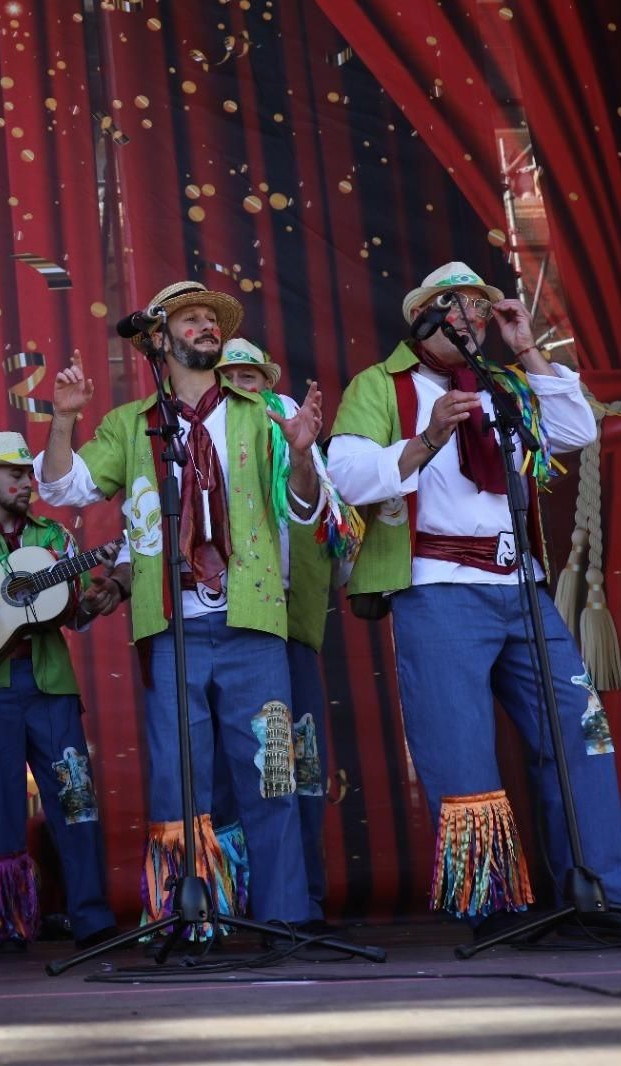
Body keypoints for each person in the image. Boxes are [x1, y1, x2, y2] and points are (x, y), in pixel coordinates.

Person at [328, 261, 621, 935]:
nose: (469, 318)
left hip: (520, 588)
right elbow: (347, 478)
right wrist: (430, 435)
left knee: (581, 735)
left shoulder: (503, 383)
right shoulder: (381, 385)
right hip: (438, 589)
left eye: (477, 308)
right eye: (454, 307)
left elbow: (579, 433)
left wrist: (526, 349)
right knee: (461, 749)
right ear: (423, 319)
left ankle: (600, 892)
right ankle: (489, 905)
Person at [35, 281, 324, 932]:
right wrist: (62, 420)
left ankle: (284, 919)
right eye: (188, 320)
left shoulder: (265, 411)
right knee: (178, 779)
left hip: (253, 619)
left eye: (210, 320)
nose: (204, 327)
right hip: (171, 626)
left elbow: (303, 507)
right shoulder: (135, 425)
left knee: (270, 772)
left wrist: (302, 455)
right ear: (159, 341)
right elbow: (64, 487)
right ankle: (191, 918)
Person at [0, 431, 123, 955]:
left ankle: (92, 917)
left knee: (75, 798)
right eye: (15, 474)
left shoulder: (55, 540)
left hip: (50, 681)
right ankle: (10, 923)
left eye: (29, 474)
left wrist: (98, 600)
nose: (26, 483)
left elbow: (73, 615)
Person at [206, 340, 357, 933]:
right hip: (222, 618)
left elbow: (327, 525)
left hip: (285, 620)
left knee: (296, 761)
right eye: (231, 376)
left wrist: (298, 455)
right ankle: (229, 906)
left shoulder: (286, 427)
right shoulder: (199, 435)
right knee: (221, 767)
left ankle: (301, 903)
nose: (242, 384)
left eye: (252, 375)